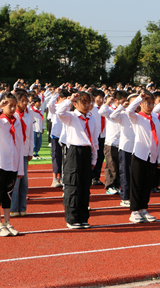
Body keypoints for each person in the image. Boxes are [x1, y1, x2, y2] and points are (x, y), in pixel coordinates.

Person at [56, 91, 100, 229]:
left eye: (89, 102)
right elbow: (59, 112)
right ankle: (72, 218)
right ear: (75, 104)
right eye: (84, 102)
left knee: (85, 186)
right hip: (74, 151)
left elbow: (94, 139)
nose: (87, 105)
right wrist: (70, 99)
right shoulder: (71, 117)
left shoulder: (92, 118)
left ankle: (83, 217)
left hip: (87, 151)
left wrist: (94, 157)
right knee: (73, 184)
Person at [0, 94, 24, 237]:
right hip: (1, 164)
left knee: (8, 195)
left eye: (14, 105)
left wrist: (20, 168)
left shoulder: (17, 122)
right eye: (9, 105)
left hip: (13, 164)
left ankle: (7, 222)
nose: (13, 108)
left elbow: (19, 145)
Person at [126, 91, 160, 223]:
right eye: (148, 103)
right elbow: (128, 111)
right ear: (141, 104)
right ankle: (134, 210)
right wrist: (138, 98)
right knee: (137, 183)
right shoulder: (137, 117)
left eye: (152, 103)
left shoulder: (156, 120)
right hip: (140, 154)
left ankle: (143, 208)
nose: (150, 105)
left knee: (147, 184)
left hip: (152, 156)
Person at [110, 94, 136, 207]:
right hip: (126, 148)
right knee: (125, 173)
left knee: (136, 174)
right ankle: (125, 197)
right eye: (134, 102)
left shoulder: (141, 115)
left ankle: (134, 196)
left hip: (138, 148)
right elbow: (112, 116)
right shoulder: (123, 114)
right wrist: (121, 106)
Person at [10, 91, 33, 217]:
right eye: (22, 101)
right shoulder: (13, 116)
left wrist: (30, 151)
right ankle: (13, 208)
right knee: (15, 182)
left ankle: (22, 207)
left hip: (24, 152)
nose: (25, 103)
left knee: (24, 182)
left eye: (26, 101)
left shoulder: (28, 117)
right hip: (14, 153)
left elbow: (30, 136)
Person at [99, 91, 126, 195]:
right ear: (116, 101)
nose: (124, 103)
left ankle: (117, 185)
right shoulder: (109, 109)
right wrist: (107, 102)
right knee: (111, 165)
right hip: (111, 142)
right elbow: (101, 111)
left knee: (119, 166)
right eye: (122, 101)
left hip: (122, 142)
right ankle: (110, 186)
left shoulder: (124, 110)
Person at [90, 89, 107, 186]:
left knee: (100, 157)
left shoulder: (104, 108)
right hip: (93, 135)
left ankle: (96, 177)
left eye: (102, 98)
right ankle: (90, 176)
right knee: (93, 156)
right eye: (99, 98)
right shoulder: (92, 108)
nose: (101, 100)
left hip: (103, 135)